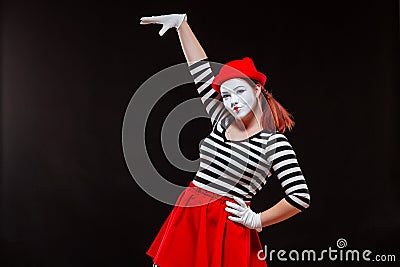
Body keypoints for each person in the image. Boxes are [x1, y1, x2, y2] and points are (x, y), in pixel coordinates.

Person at [140, 13, 311, 267]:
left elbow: (300, 196)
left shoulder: (274, 144)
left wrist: (257, 220)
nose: (233, 101)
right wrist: (181, 25)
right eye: (227, 95)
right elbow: (199, 69)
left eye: (240, 91)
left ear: (256, 90)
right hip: (189, 216)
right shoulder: (221, 119)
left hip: (226, 227)